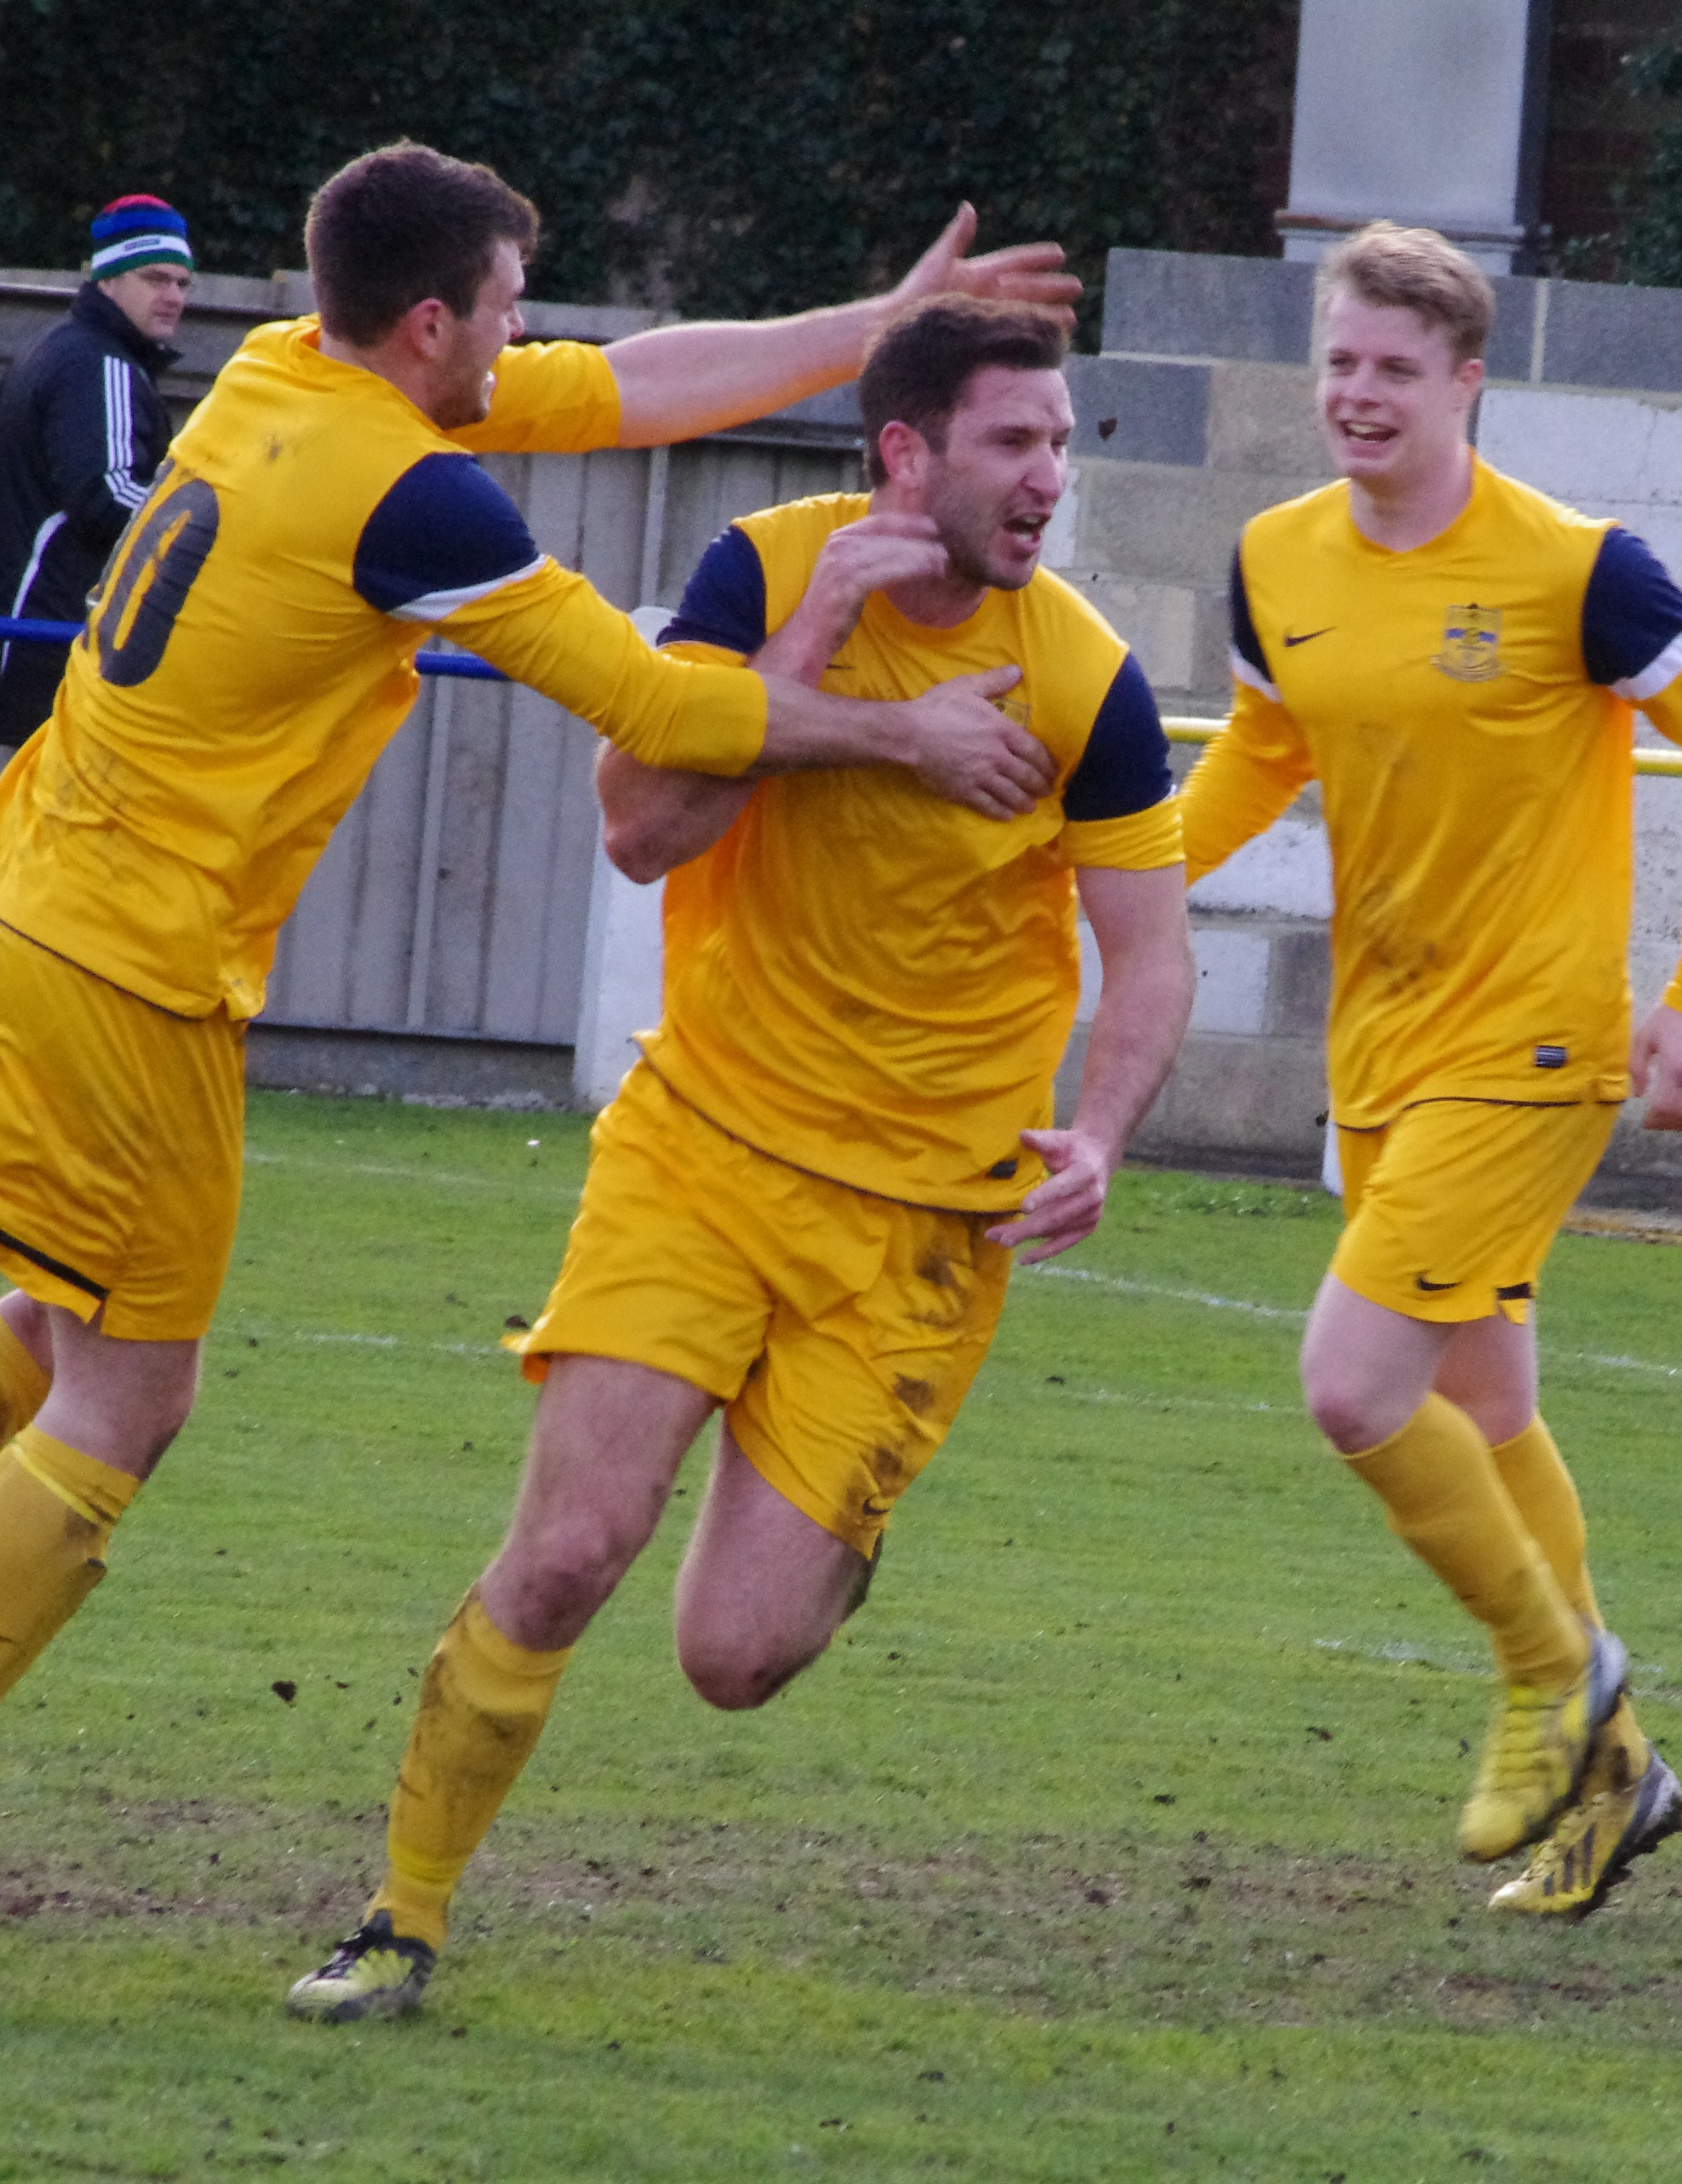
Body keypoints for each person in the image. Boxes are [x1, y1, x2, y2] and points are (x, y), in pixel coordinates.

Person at [0, 144, 1081, 2001]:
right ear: (430, 322)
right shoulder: (412, 494)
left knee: (60, 1322)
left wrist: (870, 332)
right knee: (126, 1404)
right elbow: (654, 712)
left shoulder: (276, 373)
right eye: (505, 304)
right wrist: (893, 731)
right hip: (128, 961)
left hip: (30, 891)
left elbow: (626, 389)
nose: (528, 334)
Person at [284, 294, 1196, 2022]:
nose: (1047, 478)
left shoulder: (1085, 677)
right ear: (903, 455)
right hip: (699, 1146)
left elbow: (1147, 956)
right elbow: (641, 833)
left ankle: (826, 1531)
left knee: (731, 1656)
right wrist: (812, 657)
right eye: (1014, 442)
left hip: (923, 1226)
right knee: (563, 1553)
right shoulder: (760, 578)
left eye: (1061, 443)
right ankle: (397, 1918)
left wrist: (1097, 1127)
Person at [1176, 222, 1682, 1917]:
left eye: (1392, 367)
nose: (1355, 395)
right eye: (1337, 362)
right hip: (1380, 1042)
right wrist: (1114, 866)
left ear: (1464, 381)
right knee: (1483, 1404)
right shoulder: (1271, 560)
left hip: (1528, 1045)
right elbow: (1259, 750)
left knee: (1349, 1385)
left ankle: (1550, 1674)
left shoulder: (1576, 568)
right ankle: (1619, 1782)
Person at [0, 195, 194, 748]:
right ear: (106, 279)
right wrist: (209, 532)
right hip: (67, 643)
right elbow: (109, 495)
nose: (172, 296)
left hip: (36, 638)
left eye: (182, 283)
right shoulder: (98, 366)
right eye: (155, 278)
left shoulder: (62, 352)